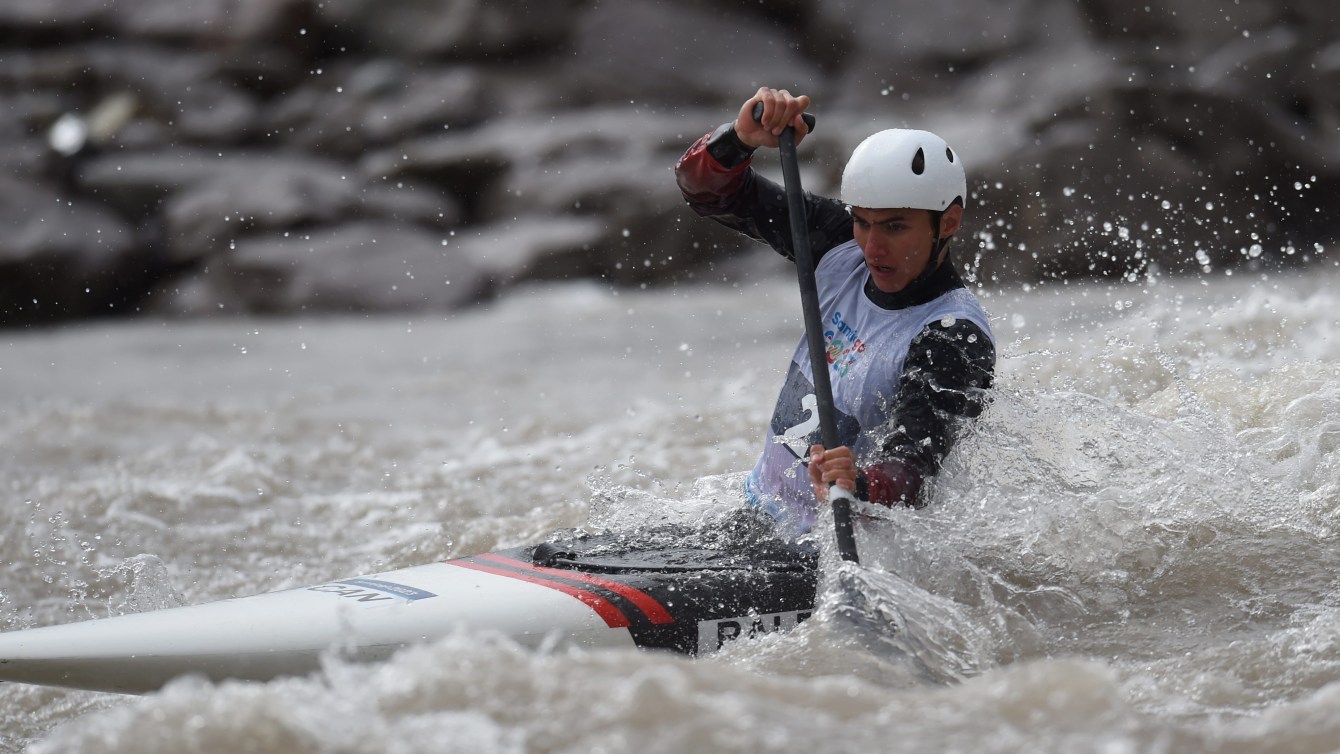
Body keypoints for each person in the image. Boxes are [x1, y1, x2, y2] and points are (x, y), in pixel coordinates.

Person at [675, 87, 996, 537]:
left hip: (822, 554)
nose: (872, 246)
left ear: (948, 222)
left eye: (895, 227)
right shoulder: (839, 244)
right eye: (863, 221)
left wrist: (861, 482)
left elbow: (914, 472)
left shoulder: (951, 338)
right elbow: (706, 191)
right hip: (752, 522)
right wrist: (741, 139)